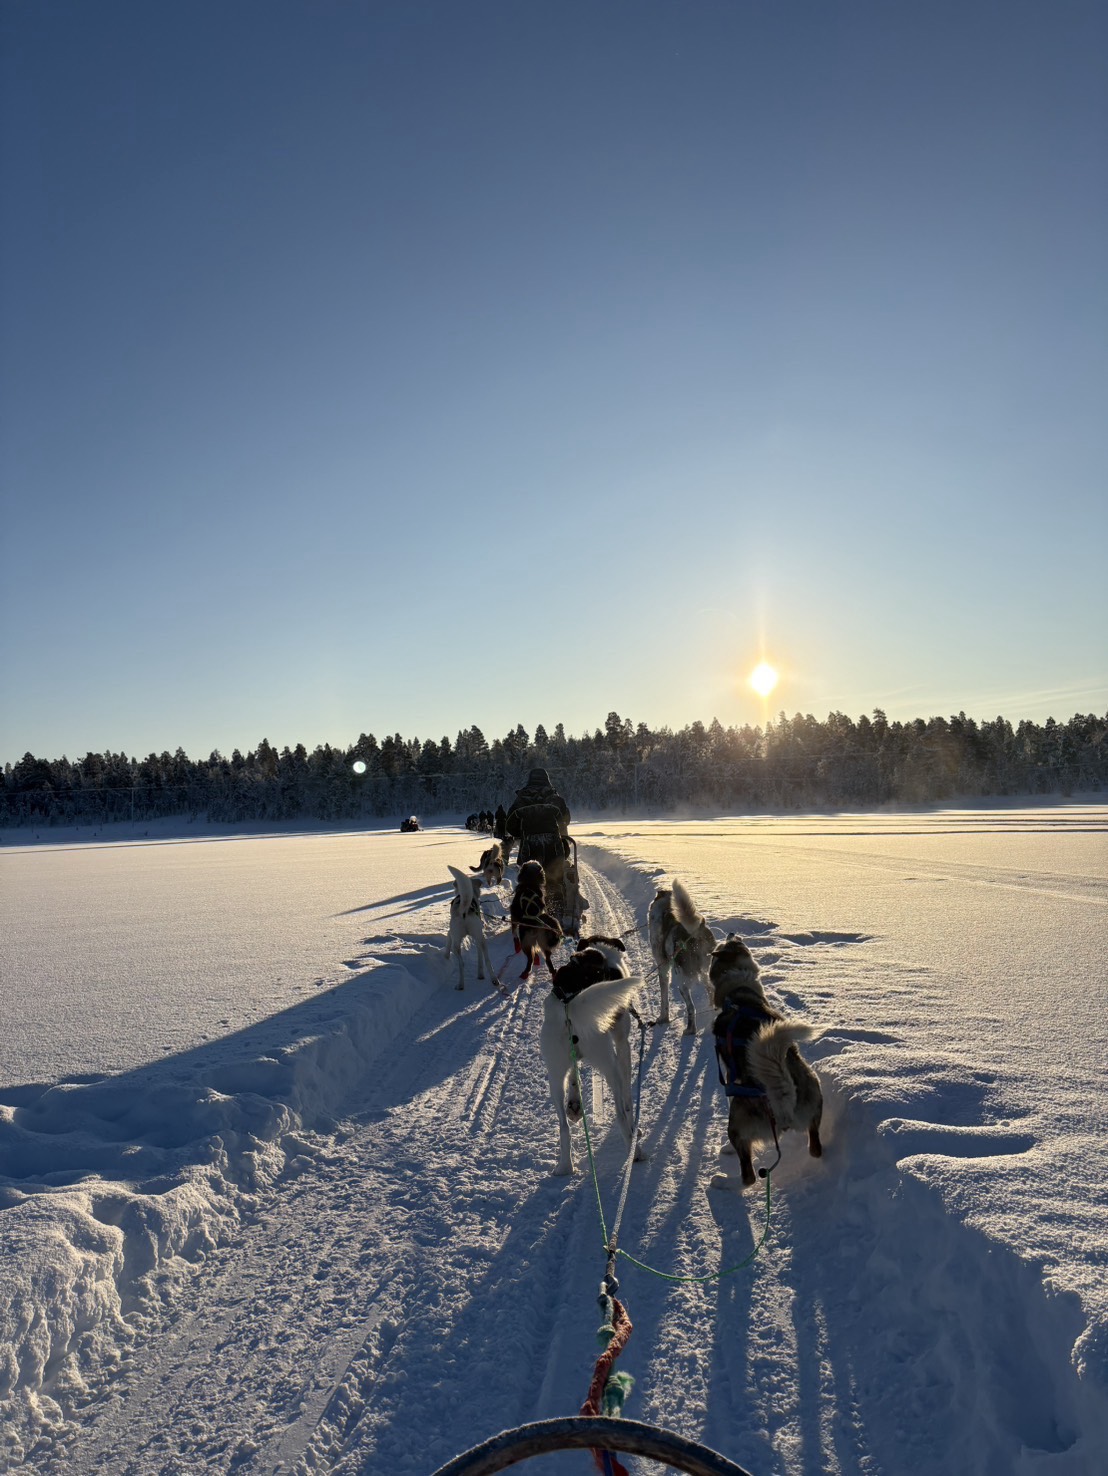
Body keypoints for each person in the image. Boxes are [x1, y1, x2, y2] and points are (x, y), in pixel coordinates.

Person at [505, 768, 570, 869]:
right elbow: (566, 819)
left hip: (528, 847)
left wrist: (520, 833)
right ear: (547, 779)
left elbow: (510, 821)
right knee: (563, 844)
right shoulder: (555, 798)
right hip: (554, 847)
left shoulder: (521, 799)